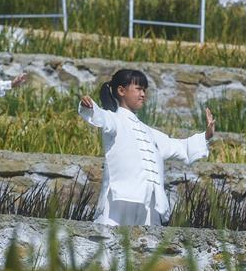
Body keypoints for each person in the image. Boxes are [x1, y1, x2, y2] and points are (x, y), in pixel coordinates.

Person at [79, 69, 215, 226]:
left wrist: (206, 135)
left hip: (149, 204)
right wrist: (89, 107)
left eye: (144, 90)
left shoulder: (149, 132)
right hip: (120, 199)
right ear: (121, 91)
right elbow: (101, 116)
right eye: (138, 89)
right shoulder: (114, 120)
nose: (143, 94)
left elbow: (179, 146)